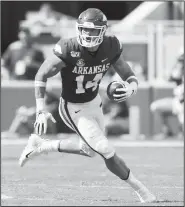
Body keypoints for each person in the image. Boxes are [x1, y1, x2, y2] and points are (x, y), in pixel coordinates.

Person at [19, 8, 156, 203]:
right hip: (72, 107)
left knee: (89, 150)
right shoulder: (69, 48)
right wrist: (40, 109)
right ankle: (142, 191)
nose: (88, 34)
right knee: (105, 149)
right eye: (84, 29)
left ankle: (40, 146)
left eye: (93, 30)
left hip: (94, 102)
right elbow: (41, 74)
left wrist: (131, 89)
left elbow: (128, 74)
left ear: (103, 30)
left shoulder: (111, 45)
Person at [150, 51, 184, 139]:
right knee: (155, 106)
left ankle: (181, 131)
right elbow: (171, 77)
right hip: (178, 102)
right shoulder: (179, 71)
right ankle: (166, 131)